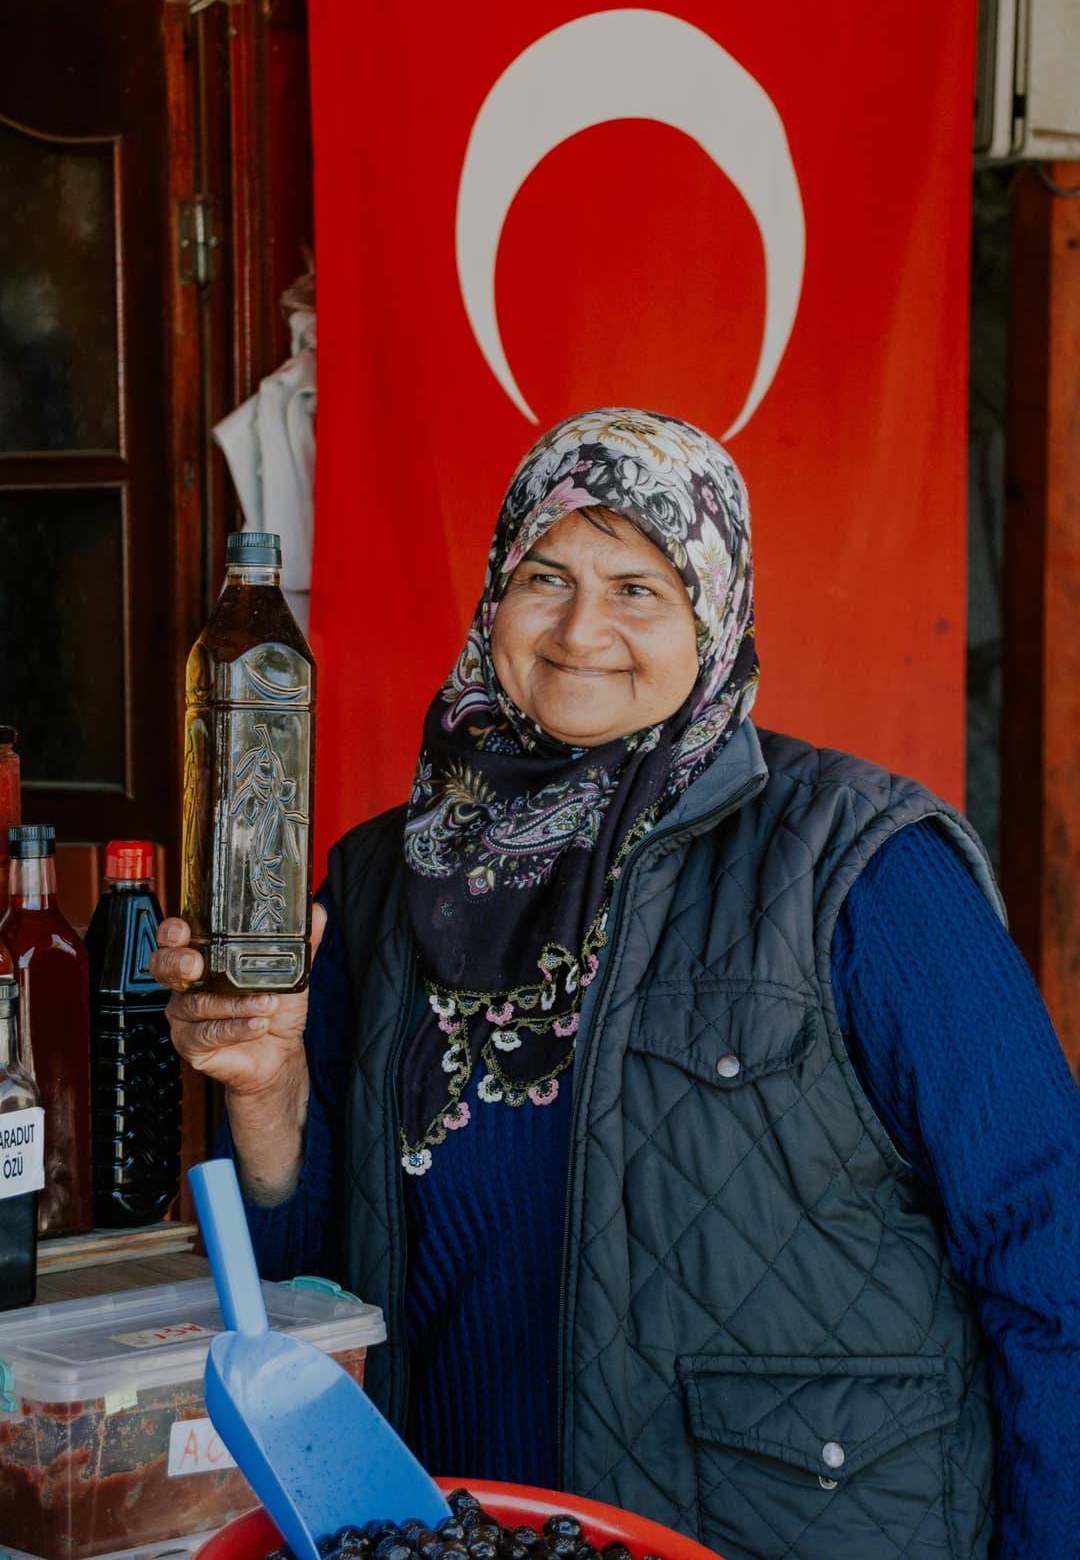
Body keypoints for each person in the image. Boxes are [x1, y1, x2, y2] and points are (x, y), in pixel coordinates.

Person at [152, 408, 1080, 1560]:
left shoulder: (861, 868)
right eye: (546, 575)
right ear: (496, 591)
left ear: (716, 610)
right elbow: (314, 1284)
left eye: (639, 586)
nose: (583, 628)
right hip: (454, 1534)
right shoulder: (383, 880)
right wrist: (263, 1086)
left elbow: (1054, 1260)